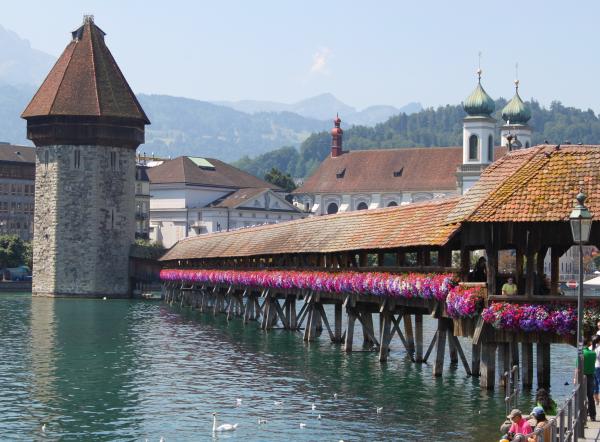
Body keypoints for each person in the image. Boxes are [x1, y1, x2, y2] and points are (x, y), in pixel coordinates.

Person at [582, 337, 597, 421]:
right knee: (590, 396)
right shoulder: (593, 353)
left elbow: (578, 368)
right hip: (591, 376)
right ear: (588, 343)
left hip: (583, 376)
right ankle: (593, 415)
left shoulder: (581, 354)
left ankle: (582, 414)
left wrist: (574, 378)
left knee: (581, 396)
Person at [594, 335, 600, 405]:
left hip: (594, 366)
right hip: (598, 366)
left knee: (595, 383)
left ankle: (596, 400)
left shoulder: (591, 347)